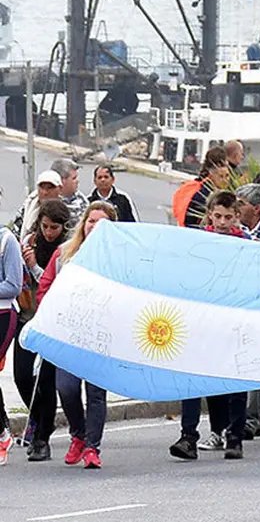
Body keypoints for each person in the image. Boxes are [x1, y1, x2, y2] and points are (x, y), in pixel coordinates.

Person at [169, 193, 250, 462]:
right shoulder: (198, 242)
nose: (223, 222)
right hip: (201, 319)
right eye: (218, 216)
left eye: (229, 217)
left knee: (235, 377)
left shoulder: (245, 244)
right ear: (210, 215)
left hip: (233, 319)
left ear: (237, 216)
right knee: (191, 377)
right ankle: (188, 436)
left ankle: (235, 435)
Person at [38, 201, 118, 469]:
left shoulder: (119, 259)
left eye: (102, 222)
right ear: (83, 223)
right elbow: (45, 288)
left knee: (96, 394)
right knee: (67, 388)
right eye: (91, 220)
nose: (95, 226)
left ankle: (92, 447)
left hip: (99, 335)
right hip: (69, 334)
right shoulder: (64, 254)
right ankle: (78, 434)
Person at [14, 200, 71, 462]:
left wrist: (35, 265)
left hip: (53, 322)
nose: (49, 232)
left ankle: (42, 439)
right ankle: (37, 417)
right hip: (27, 317)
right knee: (22, 377)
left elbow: (59, 285)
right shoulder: (30, 242)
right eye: (45, 226)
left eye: (54, 227)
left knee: (45, 382)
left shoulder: (67, 250)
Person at [0, 220, 23, 466]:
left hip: (3, 314)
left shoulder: (7, 241)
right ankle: (3, 427)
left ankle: (3, 435)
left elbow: (13, 285)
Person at [176, 147, 230, 228]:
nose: (226, 180)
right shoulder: (205, 194)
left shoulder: (196, 186)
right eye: (221, 177)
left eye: (227, 176)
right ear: (212, 176)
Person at [11, 171, 64, 240]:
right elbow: (15, 233)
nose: (45, 192)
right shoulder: (27, 208)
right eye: (42, 188)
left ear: (60, 189)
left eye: (50, 188)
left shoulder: (66, 211)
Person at [50, 158, 89, 229]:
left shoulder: (81, 199)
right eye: (74, 178)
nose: (77, 181)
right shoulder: (43, 199)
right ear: (61, 180)